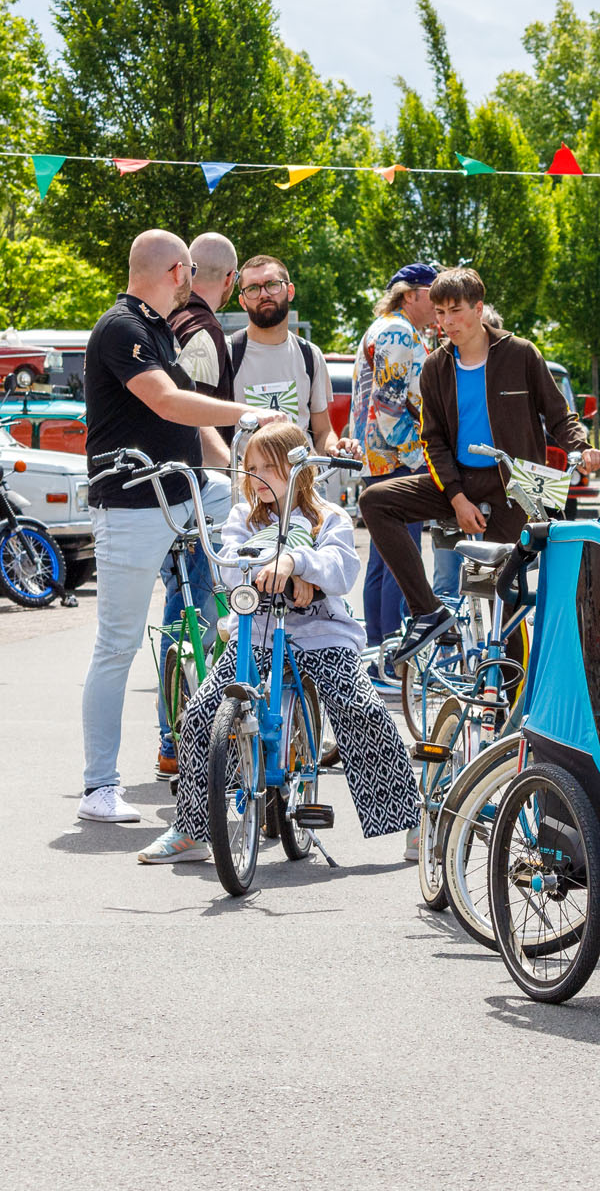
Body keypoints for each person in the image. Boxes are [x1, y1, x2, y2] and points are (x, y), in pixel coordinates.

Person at [136, 422, 419, 863]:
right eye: (251, 468)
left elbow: (342, 571)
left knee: (364, 711)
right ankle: (192, 829)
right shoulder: (241, 518)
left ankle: (413, 822)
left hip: (321, 637)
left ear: (299, 466)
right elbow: (229, 567)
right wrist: (283, 575)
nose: (259, 476)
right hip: (256, 636)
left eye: (271, 466)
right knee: (199, 715)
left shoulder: (329, 517)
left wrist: (298, 563)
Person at [78, 229, 283, 824]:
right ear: (176, 270)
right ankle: (99, 788)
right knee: (115, 646)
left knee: (253, 522)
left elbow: (192, 427)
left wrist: (257, 472)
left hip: (184, 495)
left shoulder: (161, 329)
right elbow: (167, 403)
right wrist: (251, 412)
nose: (193, 279)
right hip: (132, 505)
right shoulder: (122, 327)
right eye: (189, 269)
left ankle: (256, 675)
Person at [359, 267, 600, 663]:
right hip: (459, 483)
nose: (446, 322)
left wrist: (583, 448)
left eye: (455, 311)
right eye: (439, 312)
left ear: (479, 309)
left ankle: (508, 704)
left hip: (514, 487)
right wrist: (456, 498)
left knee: (501, 601)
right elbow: (432, 439)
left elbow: (559, 415)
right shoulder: (436, 366)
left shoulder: (520, 353)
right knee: (375, 501)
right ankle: (428, 611)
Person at [154, 232, 239, 780]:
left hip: (164, 492)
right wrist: (232, 470)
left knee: (181, 613)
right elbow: (195, 418)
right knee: (193, 615)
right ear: (227, 281)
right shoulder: (205, 334)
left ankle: (177, 739)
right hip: (194, 494)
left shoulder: (168, 324)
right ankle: (183, 739)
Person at [351, 263, 438, 677]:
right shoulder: (398, 333)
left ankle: (376, 653)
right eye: (432, 292)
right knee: (400, 562)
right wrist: (421, 457)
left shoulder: (381, 328)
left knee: (382, 561)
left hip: (378, 459)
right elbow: (389, 407)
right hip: (398, 459)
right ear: (410, 294)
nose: (440, 303)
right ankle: (391, 659)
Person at [229, 255, 357, 462]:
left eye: (272, 285)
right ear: (243, 302)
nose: (263, 294)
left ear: (290, 291)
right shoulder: (227, 354)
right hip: (248, 487)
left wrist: (337, 448)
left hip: (303, 483)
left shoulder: (310, 354)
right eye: (253, 288)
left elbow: (323, 432)